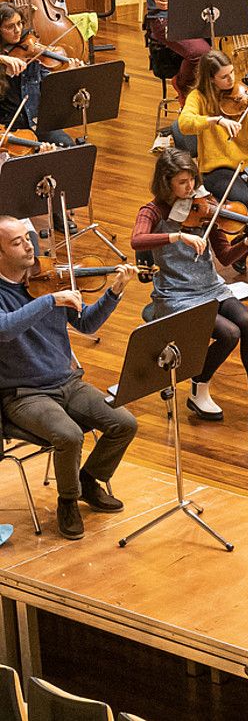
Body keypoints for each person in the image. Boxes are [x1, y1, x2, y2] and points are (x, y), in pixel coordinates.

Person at [0, 215, 137, 540]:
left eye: (27, 238)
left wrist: (114, 292)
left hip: (67, 382)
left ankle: (88, 480)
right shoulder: (32, 294)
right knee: (70, 435)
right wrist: (50, 301)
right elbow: (4, 330)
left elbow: (87, 323)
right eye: (17, 242)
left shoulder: (49, 280)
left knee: (125, 423)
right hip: (23, 394)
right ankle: (67, 502)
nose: (29, 246)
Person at [131, 148, 248, 423]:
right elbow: (137, 240)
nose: (190, 187)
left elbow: (225, 256)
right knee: (228, 334)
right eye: (182, 182)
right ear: (166, 183)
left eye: (192, 179)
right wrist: (176, 236)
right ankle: (198, 387)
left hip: (210, 287)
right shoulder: (152, 211)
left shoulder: (205, 206)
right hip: (176, 294)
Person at [175, 50, 248, 270]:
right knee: (245, 203)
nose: (231, 80)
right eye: (224, 76)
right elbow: (184, 123)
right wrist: (216, 120)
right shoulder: (198, 98)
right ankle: (246, 243)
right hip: (217, 170)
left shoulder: (242, 95)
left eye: (232, 73)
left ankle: (242, 244)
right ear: (211, 79)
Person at [0, 2, 76, 147]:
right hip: (8, 129)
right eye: (10, 27)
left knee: (68, 145)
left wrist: (69, 73)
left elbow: (51, 83)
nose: (18, 30)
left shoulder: (30, 54)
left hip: (35, 123)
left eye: (20, 23)